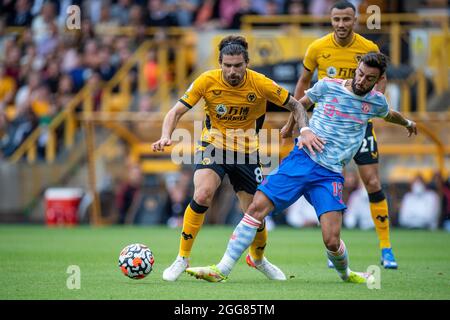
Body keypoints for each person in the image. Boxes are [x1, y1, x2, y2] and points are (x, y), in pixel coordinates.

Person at [186, 52, 417, 284]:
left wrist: (407, 122)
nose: (361, 81)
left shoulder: (376, 101)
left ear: (378, 80)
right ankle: (223, 268)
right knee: (256, 207)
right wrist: (291, 128)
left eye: (369, 78)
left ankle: (347, 274)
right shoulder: (327, 86)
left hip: (330, 174)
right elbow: (301, 104)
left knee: (332, 241)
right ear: (356, 68)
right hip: (303, 159)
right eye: (360, 73)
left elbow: (389, 115)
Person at [152, 35, 309, 282]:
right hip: (213, 146)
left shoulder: (261, 83)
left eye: (237, 65)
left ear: (246, 63)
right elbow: (176, 110)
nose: (232, 71)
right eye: (227, 65)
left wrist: (303, 131)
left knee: (255, 213)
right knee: (202, 193)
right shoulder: (207, 80)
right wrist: (165, 135)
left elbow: (297, 106)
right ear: (220, 63)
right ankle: (182, 258)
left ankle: (258, 259)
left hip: (247, 153)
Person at [281, 0, 399, 269]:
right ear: (330, 20)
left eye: (347, 19)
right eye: (337, 20)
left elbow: (380, 80)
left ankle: (386, 248)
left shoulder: (368, 49)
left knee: (372, 181)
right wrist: (294, 122)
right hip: (328, 128)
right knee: (333, 181)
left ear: (355, 20)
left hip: (359, 124)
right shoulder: (318, 48)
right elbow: (303, 83)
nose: (341, 25)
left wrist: (371, 106)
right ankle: (335, 248)